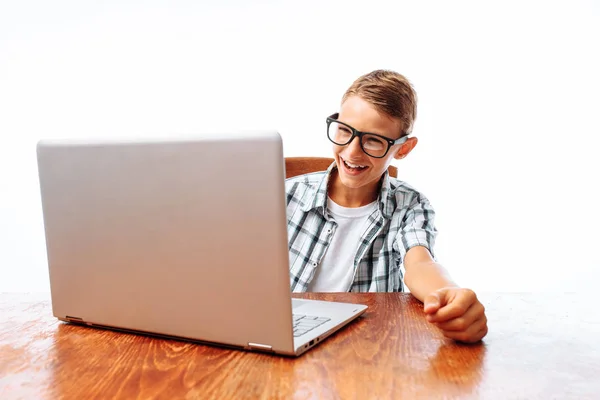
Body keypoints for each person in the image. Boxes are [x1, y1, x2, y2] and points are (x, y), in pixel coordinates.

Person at [285, 69, 488, 343]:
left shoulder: (409, 205)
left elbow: (421, 263)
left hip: (364, 348)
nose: (352, 151)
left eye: (373, 140)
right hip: (287, 338)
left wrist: (448, 294)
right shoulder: (285, 195)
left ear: (403, 149)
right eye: (345, 131)